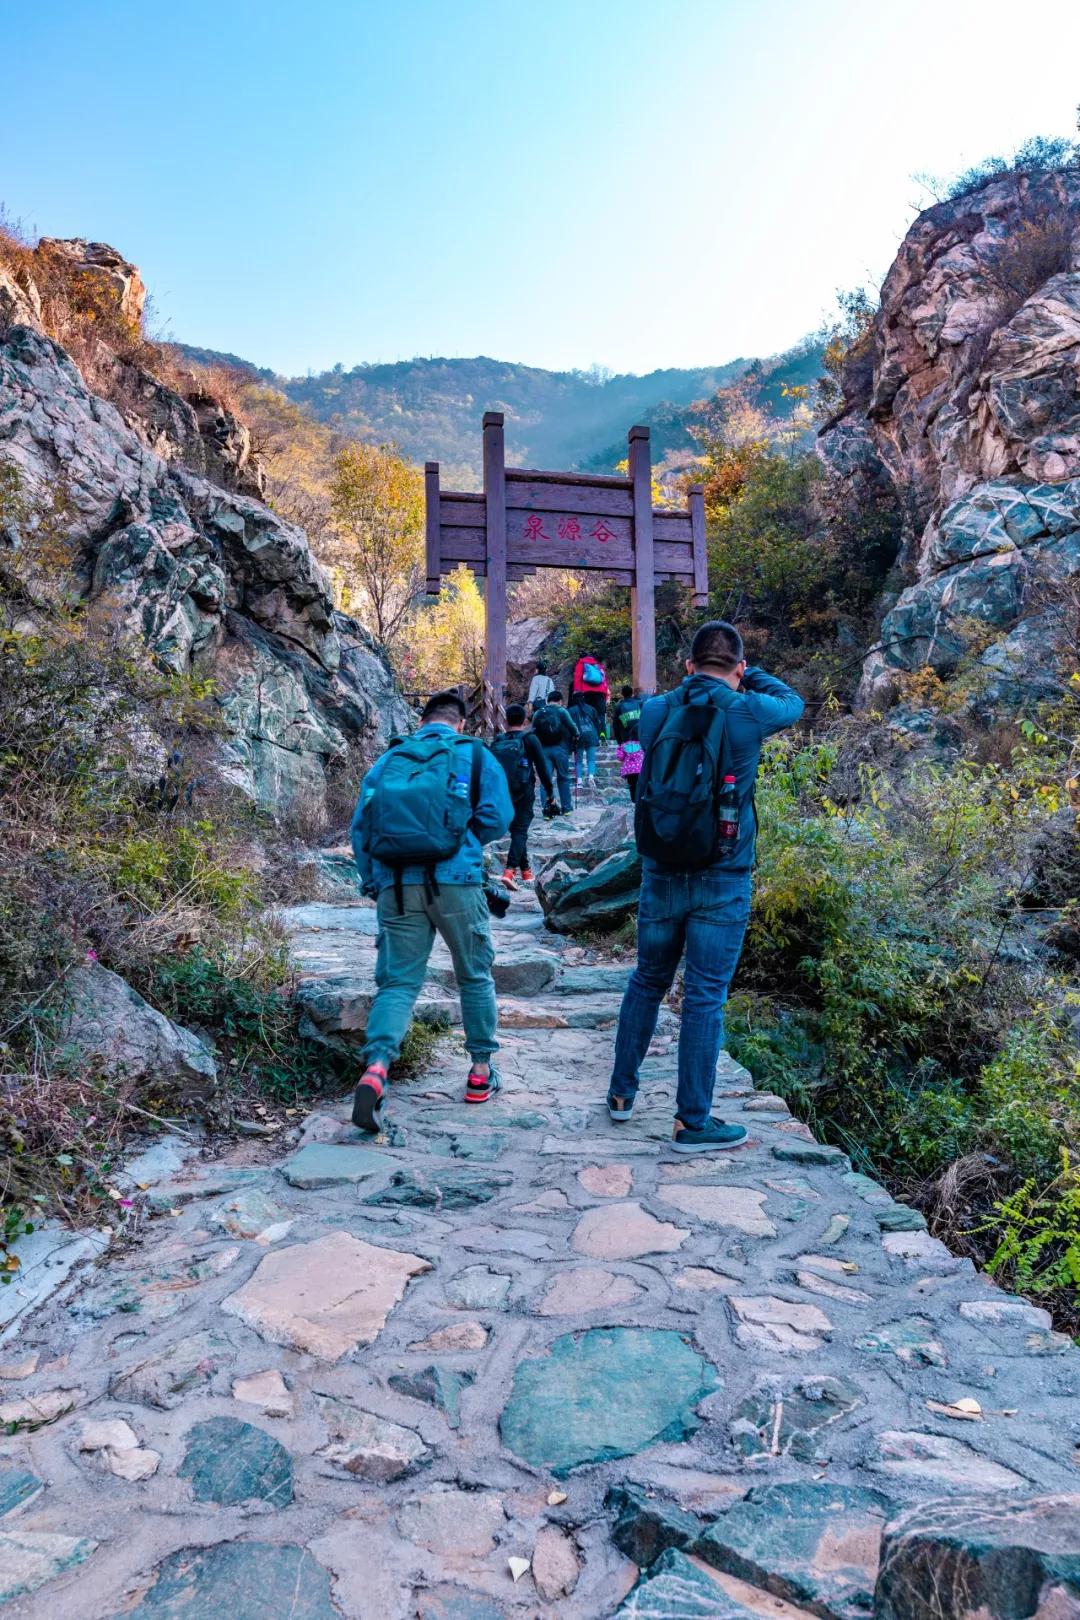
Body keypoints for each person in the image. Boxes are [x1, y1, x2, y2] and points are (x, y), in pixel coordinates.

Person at [607, 621, 804, 1152]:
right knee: (704, 997)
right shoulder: (748, 710)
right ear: (738, 668)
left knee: (647, 980)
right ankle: (692, 1122)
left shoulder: (653, 711)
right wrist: (744, 674)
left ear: (689, 666)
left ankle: (622, 1095)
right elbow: (793, 701)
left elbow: (634, 767)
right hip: (723, 874)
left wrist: (693, 678)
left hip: (661, 870)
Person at [349, 690, 513, 1132]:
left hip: (397, 884)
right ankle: (480, 1073)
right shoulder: (474, 755)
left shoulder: (389, 760)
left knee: (398, 983)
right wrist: (464, 839)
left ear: (423, 720)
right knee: (474, 976)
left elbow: (361, 827)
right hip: (457, 880)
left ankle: (377, 1067)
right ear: (460, 722)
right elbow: (500, 815)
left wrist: (373, 880)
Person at [491, 703, 556, 884]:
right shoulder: (530, 738)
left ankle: (526, 871)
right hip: (524, 790)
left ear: (506, 720)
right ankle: (509, 871)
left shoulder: (498, 740)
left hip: (503, 792)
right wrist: (550, 792)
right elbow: (542, 768)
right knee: (520, 831)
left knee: (517, 832)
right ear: (525, 719)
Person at [530, 691, 579, 814]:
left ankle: (547, 809)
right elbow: (573, 728)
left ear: (548, 700)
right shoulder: (562, 711)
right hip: (561, 749)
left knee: (546, 780)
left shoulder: (538, 713)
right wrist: (576, 738)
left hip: (543, 751)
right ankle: (566, 808)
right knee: (563, 778)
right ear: (560, 701)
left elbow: (533, 732)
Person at [613, 684, 645, 801]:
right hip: (641, 738)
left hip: (627, 740)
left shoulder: (619, 707)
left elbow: (616, 725)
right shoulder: (640, 703)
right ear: (632, 693)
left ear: (622, 694)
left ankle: (634, 797)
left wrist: (620, 742)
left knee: (631, 763)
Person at [572, 654, 609, 737]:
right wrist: (606, 696)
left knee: (588, 714)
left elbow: (577, 678)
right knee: (601, 714)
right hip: (600, 693)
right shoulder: (598, 665)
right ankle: (602, 733)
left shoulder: (581, 664)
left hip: (587, 692)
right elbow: (604, 681)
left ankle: (592, 735)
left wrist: (577, 692)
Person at [569, 698, 600, 792]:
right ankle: (591, 776)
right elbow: (597, 722)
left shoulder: (571, 710)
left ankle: (579, 782)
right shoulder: (591, 708)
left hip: (578, 737)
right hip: (591, 735)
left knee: (578, 760)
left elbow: (569, 724)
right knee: (591, 759)